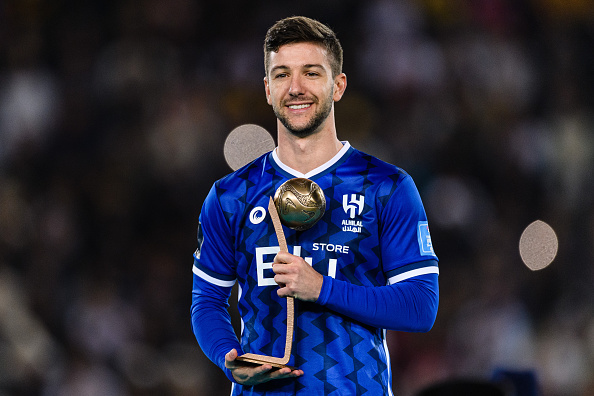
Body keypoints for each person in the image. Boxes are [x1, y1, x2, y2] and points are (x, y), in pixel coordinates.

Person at [191, 16, 439, 395]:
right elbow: (207, 300)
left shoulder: (385, 187)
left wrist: (321, 287)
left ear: (338, 86)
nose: (295, 88)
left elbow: (421, 306)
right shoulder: (231, 195)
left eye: (311, 73)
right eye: (281, 75)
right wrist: (228, 356)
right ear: (267, 90)